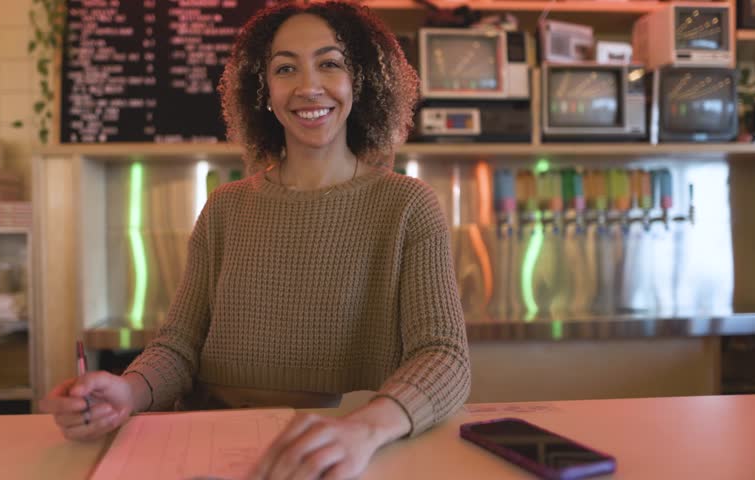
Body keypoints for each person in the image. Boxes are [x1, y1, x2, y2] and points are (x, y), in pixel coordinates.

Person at [40, 2, 470, 478]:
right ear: (263, 91)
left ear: (361, 80)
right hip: (207, 445)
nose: (309, 86)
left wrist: (364, 429)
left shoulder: (408, 207)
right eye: (286, 68)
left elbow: (444, 356)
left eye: (330, 63)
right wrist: (129, 390)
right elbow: (179, 346)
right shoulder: (225, 207)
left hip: (339, 449)